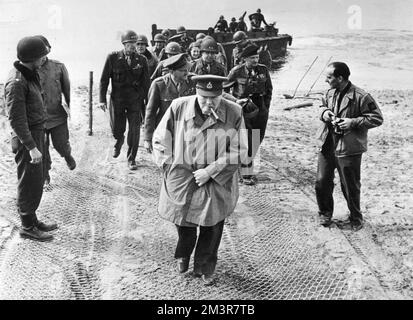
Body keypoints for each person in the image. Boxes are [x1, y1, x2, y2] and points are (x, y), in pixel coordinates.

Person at [152, 75, 248, 285]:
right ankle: (183, 255)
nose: (208, 103)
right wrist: (168, 165)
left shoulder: (234, 112)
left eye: (213, 99)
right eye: (204, 98)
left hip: (216, 178)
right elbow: (160, 138)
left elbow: (240, 150)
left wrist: (211, 171)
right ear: (196, 93)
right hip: (183, 174)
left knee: (212, 224)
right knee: (183, 220)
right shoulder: (178, 106)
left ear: (221, 94)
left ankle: (204, 266)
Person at [315, 62, 383, 231]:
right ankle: (325, 213)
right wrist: (325, 113)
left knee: (350, 184)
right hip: (327, 143)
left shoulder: (361, 96)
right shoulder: (330, 92)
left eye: (329, 77)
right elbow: (321, 105)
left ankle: (356, 218)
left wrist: (352, 122)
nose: (325, 80)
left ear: (340, 78)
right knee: (322, 181)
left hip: (349, 147)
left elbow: (376, 118)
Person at [4, 36, 57, 241]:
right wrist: (32, 147)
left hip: (36, 132)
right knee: (28, 181)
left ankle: (32, 219)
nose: (45, 58)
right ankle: (27, 227)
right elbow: (16, 120)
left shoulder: (29, 74)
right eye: (42, 55)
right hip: (27, 137)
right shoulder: (17, 82)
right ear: (32, 57)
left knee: (36, 179)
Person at [99, 30, 150, 170]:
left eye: (135, 43)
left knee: (134, 130)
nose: (133, 46)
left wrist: (147, 101)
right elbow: (104, 80)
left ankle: (131, 158)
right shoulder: (113, 58)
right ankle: (119, 140)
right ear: (124, 44)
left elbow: (146, 83)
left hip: (135, 100)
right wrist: (102, 99)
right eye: (129, 43)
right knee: (117, 129)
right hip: (118, 100)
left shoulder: (142, 60)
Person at [225, 44, 272, 185]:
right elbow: (223, 91)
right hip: (244, 109)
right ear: (245, 59)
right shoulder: (236, 71)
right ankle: (246, 173)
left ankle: (244, 167)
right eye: (252, 58)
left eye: (257, 57)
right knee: (247, 140)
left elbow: (269, 89)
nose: (255, 60)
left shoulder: (263, 70)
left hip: (261, 108)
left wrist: (266, 107)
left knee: (258, 138)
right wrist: (236, 101)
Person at [36, 35, 76, 186]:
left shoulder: (58, 66)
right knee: (42, 149)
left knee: (61, 144)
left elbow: (67, 91)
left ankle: (67, 155)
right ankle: (45, 176)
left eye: (44, 51)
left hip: (57, 116)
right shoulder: (30, 69)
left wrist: (70, 110)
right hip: (38, 118)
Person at [144, 53, 196, 153]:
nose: (187, 73)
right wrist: (147, 138)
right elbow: (150, 112)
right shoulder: (159, 84)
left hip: (187, 129)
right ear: (172, 71)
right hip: (166, 130)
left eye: (187, 70)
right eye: (182, 71)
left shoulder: (193, 81)